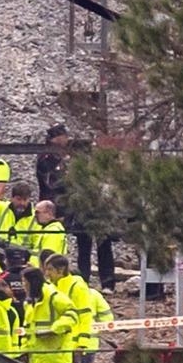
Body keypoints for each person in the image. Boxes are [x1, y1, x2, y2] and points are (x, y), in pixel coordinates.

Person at [38, 124, 115, 290]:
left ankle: (107, 282)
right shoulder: (48, 159)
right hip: (80, 207)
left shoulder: (80, 160)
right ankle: (84, 281)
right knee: (84, 246)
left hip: (97, 207)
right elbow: (54, 187)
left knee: (104, 246)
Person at [31, 201, 67, 266]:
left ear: (49, 213)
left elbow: (47, 257)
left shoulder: (53, 231)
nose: (35, 215)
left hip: (43, 272)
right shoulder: (48, 228)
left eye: (37, 212)